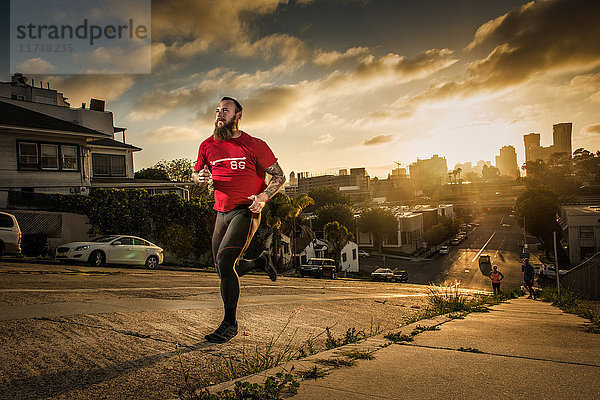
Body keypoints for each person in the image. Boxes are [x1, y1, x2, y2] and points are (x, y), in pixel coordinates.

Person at [193, 96, 286, 343]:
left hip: (247, 209)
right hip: (221, 212)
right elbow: (198, 174)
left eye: (226, 110)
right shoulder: (206, 146)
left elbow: (279, 176)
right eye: (217, 110)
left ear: (238, 115)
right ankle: (259, 262)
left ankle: (229, 324)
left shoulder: (254, 144)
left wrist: (264, 196)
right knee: (221, 267)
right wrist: (200, 179)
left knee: (225, 261)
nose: (220, 114)